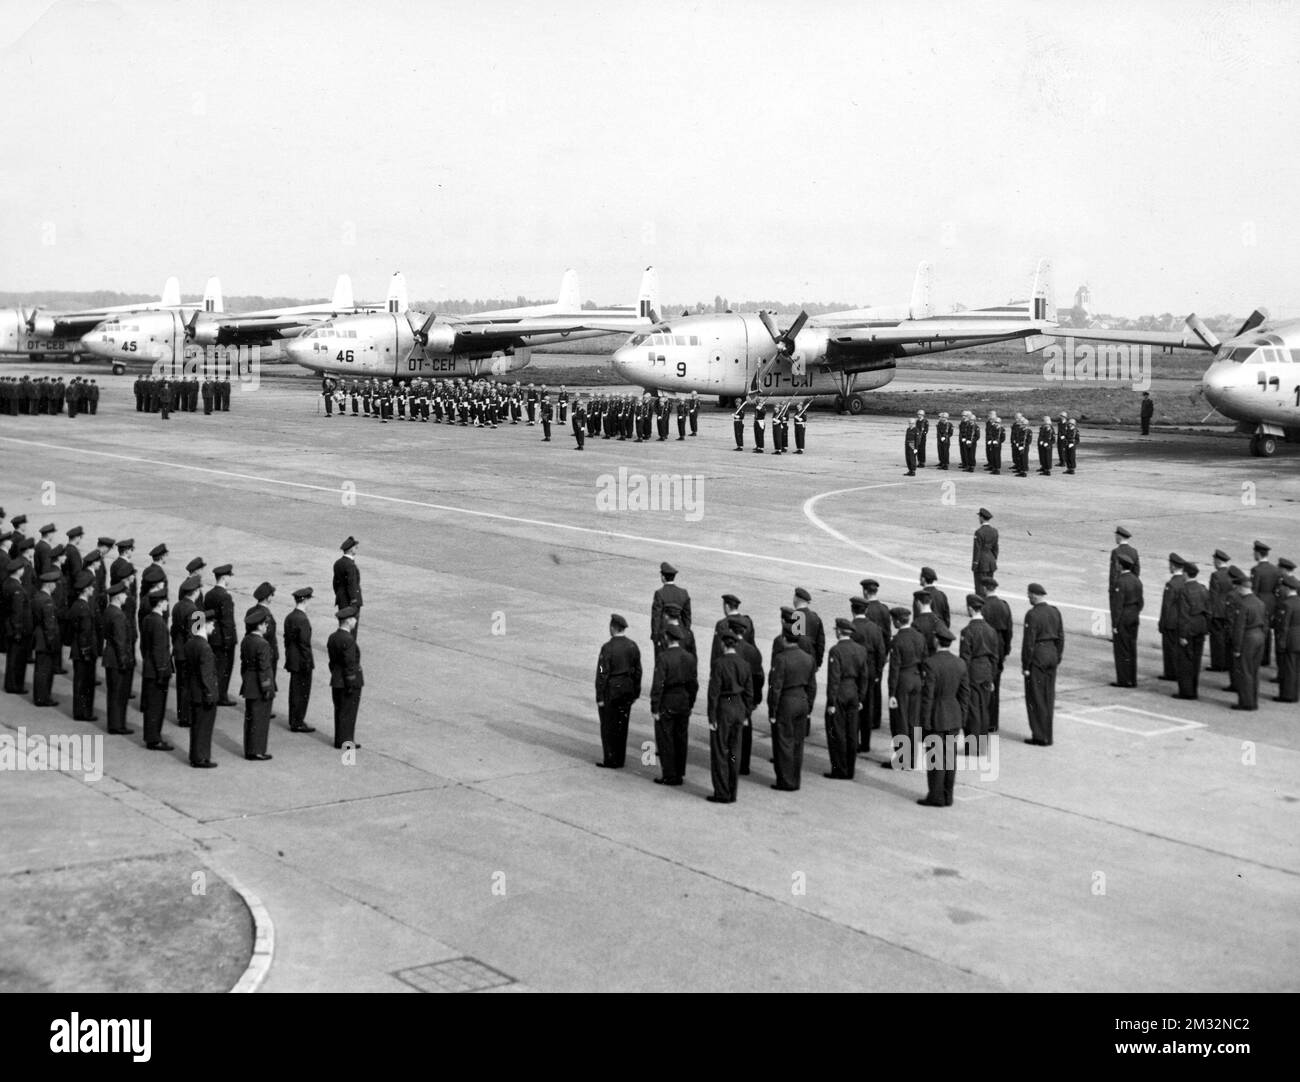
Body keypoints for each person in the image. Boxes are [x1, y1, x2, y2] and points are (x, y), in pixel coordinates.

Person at [918, 625, 968, 807]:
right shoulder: (960, 663)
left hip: (936, 716)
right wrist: (961, 719)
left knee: (935, 759)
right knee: (949, 759)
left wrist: (924, 722)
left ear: (937, 640)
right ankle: (948, 795)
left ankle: (935, 795)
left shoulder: (931, 663)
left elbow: (928, 696)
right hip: (953, 715)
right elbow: (964, 695)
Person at [767, 622, 816, 791]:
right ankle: (795, 780)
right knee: (797, 744)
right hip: (802, 701)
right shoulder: (808, 658)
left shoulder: (781, 658)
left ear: (784, 638)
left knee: (783, 743)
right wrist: (809, 705)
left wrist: (772, 710)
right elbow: (812, 686)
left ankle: (785, 781)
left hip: (786, 702)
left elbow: (776, 687)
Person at [706, 630, 751, 802]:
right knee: (734, 752)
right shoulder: (744, 664)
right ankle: (732, 792)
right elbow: (749, 692)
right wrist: (746, 713)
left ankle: (722, 792)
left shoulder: (719, 664)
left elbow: (713, 693)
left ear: (723, 645)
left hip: (724, 707)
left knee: (720, 752)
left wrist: (712, 717)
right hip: (738, 707)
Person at [650, 624, 697, 786]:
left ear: (666, 638)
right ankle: (679, 772)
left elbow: (658, 684)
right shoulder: (689, 658)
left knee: (666, 739)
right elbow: (694, 684)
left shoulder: (663, 657)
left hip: (668, 701)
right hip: (684, 700)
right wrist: (690, 702)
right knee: (681, 738)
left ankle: (669, 774)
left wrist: (654, 706)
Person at [823, 618, 869, 780]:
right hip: (854, 693)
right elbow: (864, 677)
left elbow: (834, 679)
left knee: (837, 733)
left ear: (839, 631)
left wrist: (831, 702)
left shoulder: (836, 651)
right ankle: (850, 769)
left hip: (841, 692)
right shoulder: (861, 650)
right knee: (851, 733)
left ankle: (839, 769)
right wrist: (861, 698)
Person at [595, 613, 642, 768]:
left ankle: (610, 759)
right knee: (622, 726)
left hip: (611, 691)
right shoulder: (632, 646)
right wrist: (635, 691)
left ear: (612, 628)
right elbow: (638, 671)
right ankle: (620, 758)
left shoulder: (607, 648)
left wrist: (599, 696)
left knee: (608, 727)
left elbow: (602, 672)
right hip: (627, 690)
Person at [1022, 583, 1064, 746]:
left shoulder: (1032, 615)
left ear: (1034, 595)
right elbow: (1061, 636)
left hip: (1038, 656)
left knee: (1036, 697)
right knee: (1048, 696)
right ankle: (1048, 734)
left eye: (1029, 595)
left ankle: (1039, 735)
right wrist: (1057, 655)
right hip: (1052, 654)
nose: (1028, 597)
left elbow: (1029, 643)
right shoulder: (1055, 611)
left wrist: (1026, 666)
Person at [885, 606, 925, 769]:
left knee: (899, 721)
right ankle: (913, 758)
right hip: (916, 678)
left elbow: (894, 668)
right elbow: (925, 660)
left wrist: (891, 693)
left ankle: (902, 759)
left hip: (902, 681)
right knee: (913, 720)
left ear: (897, 621)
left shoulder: (897, 640)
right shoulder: (919, 637)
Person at [959, 594, 998, 745]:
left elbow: (965, 657)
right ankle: (982, 744)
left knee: (973, 710)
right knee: (984, 709)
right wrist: (992, 676)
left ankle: (973, 746)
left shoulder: (967, 631)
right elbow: (995, 656)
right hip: (987, 670)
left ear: (970, 608)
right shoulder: (991, 630)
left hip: (973, 672)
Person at [240, 606, 276, 761]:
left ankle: (250, 749)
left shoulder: (246, 640)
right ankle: (257, 750)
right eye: (264, 624)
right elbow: (264, 668)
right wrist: (267, 687)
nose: (266, 626)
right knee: (260, 720)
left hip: (249, 684)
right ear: (259, 626)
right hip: (260, 686)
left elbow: (243, 665)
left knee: (251, 719)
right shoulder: (262, 644)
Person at [184, 610, 219, 767]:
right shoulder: (205, 647)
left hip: (193, 691)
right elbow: (206, 675)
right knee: (204, 727)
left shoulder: (191, 643)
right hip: (204, 694)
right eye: (212, 624)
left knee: (197, 726)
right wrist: (210, 694)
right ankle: (201, 758)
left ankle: (196, 756)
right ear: (205, 624)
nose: (214, 628)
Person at [139, 590, 174, 749]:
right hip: (157, 672)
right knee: (156, 707)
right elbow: (159, 650)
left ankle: (151, 736)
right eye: (166, 601)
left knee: (152, 706)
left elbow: (146, 646)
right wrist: (162, 672)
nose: (167, 604)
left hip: (149, 668)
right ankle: (154, 739)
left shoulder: (148, 619)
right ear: (160, 603)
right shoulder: (159, 623)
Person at [328, 606, 364, 748]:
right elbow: (349, 664)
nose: (355, 621)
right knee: (349, 713)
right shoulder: (348, 639)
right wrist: (351, 683)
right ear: (348, 621)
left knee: (340, 711)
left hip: (336, 680)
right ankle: (346, 741)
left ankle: (340, 739)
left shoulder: (333, 637)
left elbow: (332, 662)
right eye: (354, 619)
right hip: (347, 682)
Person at [1173, 562, 1210, 700]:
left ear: (1185, 573)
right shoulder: (1203, 589)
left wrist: (1182, 634)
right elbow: (1208, 611)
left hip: (1188, 628)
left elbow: (1183, 614)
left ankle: (1186, 691)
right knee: (1196, 661)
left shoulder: (1184, 590)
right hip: (1200, 627)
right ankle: (1193, 690)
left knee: (1185, 661)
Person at [1230, 569, 1266, 710]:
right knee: (1254, 671)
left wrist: (1237, 648)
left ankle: (1246, 702)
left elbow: (1239, 628)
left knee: (1244, 671)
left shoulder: (1243, 604)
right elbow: (1265, 623)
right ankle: (1253, 701)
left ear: (1240, 587)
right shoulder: (1260, 602)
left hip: (1248, 638)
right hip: (1259, 637)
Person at [103, 582, 135, 735]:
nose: (126, 597)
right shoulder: (118, 616)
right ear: (117, 597)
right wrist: (124, 661)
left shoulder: (109, 611)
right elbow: (120, 641)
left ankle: (115, 723)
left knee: (113, 692)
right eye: (124, 594)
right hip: (117, 659)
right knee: (118, 693)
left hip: (110, 657)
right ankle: (117, 725)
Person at [284, 586, 317, 733]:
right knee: (302, 692)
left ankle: (294, 719)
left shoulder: (290, 617)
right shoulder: (302, 619)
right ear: (305, 600)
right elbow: (305, 644)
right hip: (302, 662)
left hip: (292, 659)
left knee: (294, 691)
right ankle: (298, 721)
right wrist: (308, 662)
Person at [67, 572, 98, 721]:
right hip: (84, 652)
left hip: (76, 651)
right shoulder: (85, 609)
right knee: (85, 684)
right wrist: (87, 653)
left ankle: (79, 711)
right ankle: (84, 713)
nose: (93, 589)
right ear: (86, 589)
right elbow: (85, 634)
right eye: (91, 587)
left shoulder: (75, 605)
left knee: (79, 683)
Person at [1109, 553, 1142, 688]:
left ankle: (1124, 679)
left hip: (1123, 618)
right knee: (1131, 648)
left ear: (1120, 565)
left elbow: (1117, 606)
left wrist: (1115, 624)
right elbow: (1141, 602)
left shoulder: (1120, 582)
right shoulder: (1136, 580)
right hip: (1134, 616)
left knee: (1122, 650)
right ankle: (1132, 678)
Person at [207, 564, 237, 705]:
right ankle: (221, 696)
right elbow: (227, 621)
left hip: (211, 636)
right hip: (223, 639)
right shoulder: (225, 597)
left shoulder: (209, 594)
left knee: (214, 667)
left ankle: (215, 692)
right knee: (224, 668)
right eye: (229, 577)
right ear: (224, 578)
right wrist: (229, 641)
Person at [31, 570, 62, 706]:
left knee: (40, 669)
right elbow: (49, 625)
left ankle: (40, 696)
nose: (55, 586)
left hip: (38, 637)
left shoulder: (37, 596)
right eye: (54, 583)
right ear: (49, 585)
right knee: (45, 670)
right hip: (46, 640)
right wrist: (52, 642)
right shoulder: (47, 601)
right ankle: (43, 698)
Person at [650, 561, 691, 657]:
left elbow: (656, 617)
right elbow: (687, 617)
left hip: (664, 634)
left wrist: (655, 637)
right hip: (680, 632)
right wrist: (686, 632)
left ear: (663, 577)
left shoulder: (660, 593)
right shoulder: (683, 593)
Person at [1250, 541, 1281, 668]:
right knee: (1267, 630)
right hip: (1271, 601)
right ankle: (1266, 657)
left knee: (1258, 628)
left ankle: (1259, 655)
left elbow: (1254, 589)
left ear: (1258, 553)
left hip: (1260, 600)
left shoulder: (1256, 570)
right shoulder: (1275, 570)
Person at [1158, 554, 1186, 681]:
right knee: (1179, 649)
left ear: (1173, 566)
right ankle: (1178, 671)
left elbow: (1166, 606)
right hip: (1182, 620)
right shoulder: (1185, 581)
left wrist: (1162, 623)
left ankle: (1170, 673)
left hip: (1171, 622)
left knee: (1170, 649)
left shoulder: (1171, 584)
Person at [1207, 549, 1233, 672]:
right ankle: (1227, 662)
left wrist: (1210, 612)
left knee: (1217, 639)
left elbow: (1213, 595)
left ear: (1218, 561)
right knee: (1226, 638)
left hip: (1217, 611)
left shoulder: (1216, 575)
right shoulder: (1231, 574)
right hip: (1228, 610)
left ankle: (1218, 664)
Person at [1275, 575, 1300, 703]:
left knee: (1288, 669)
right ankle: (1295, 694)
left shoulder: (1286, 604)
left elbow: (1284, 626)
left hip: (1290, 640)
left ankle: (1287, 695)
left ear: (1287, 588)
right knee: (1296, 669)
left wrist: (1281, 642)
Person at [333, 536, 363, 637]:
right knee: (351, 629)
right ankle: (350, 648)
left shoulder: (338, 563)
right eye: (355, 547)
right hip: (350, 601)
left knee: (343, 625)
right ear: (350, 549)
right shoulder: (350, 565)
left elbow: (335, 583)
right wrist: (354, 600)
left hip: (342, 599)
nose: (356, 549)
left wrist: (339, 595)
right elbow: (352, 584)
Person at [971, 508, 998, 597]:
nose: (979, 519)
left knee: (980, 588)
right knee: (989, 587)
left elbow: (977, 550)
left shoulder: (979, 532)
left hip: (981, 563)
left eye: (979, 517)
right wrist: (993, 560)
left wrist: (974, 564)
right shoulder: (994, 531)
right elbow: (995, 548)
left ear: (982, 518)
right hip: (991, 562)